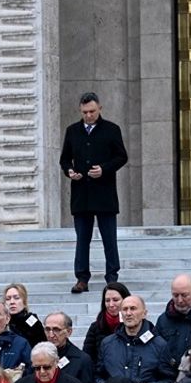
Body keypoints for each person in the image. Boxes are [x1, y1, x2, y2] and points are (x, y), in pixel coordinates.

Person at [60, 91, 128, 293]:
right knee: (82, 238)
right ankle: (82, 278)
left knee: (109, 237)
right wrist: (69, 171)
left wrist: (104, 169)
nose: (88, 115)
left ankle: (112, 276)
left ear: (100, 109)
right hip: (81, 193)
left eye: (92, 111)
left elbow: (121, 156)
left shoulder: (111, 129)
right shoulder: (72, 131)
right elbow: (64, 158)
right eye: (85, 112)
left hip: (105, 192)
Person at [82, 283, 131, 375]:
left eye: (115, 300)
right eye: (107, 300)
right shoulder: (95, 327)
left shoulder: (136, 325)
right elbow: (88, 357)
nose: (111, 304)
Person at [43, 312, 95, 383]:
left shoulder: (82, 359)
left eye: (56, 330)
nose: (51, 335)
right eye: (47, 329)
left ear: (69, 332)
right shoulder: (38, 356)